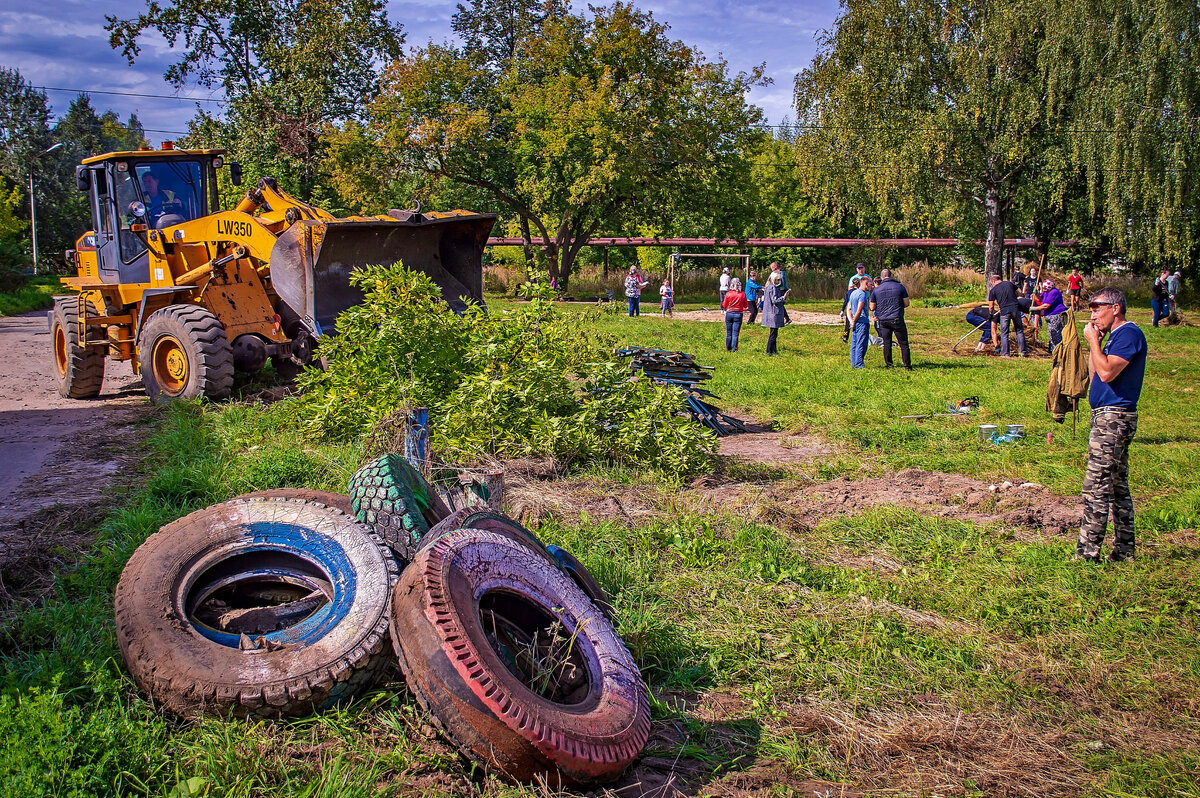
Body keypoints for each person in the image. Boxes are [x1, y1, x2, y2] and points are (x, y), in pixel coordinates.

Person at [1077, 287, 1147, 563]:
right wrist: (1096, 343)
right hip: (1105, 415)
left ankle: (1087, 554)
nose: (1092, 313)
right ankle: (1125, 551)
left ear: (1115, 308)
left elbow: (1107, 373)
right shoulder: (1113, 338)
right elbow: (1097, 374)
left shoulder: (1129, 334)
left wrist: (1094, 342)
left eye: (1097, 307)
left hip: (1115, 418)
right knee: (1117, 487)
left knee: (1096, 486)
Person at [870, 268, 911, 370]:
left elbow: (872, 307)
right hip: (896, 318)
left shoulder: (876, 290)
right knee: (903, 343)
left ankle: (889, 365)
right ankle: (907, 366)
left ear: (882, 277)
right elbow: (907, 303)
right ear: (891, 276)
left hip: (883, 320)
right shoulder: (900, 287)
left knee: (886, 343)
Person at [987, 272, 1026, 356]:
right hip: (1016, 309)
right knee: (1019, 331)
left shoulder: (993, 290)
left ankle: (1006, 353)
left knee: (1004, 333)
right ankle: (1023, 352)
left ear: (993, 281)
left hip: (1005, 312)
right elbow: (1019, 291)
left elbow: (991, 305)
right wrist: (1019, 296)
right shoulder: (1009, 283)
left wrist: (990, 314)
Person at [1031, 278, 1069, 351]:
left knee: (1055, 332)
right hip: (1049, 315)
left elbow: (1046, 305)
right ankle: (1052, 348)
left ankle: (1057, 350)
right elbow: (1040, 299)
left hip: (1056, 314)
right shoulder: (1046, 292)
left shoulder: (1054, 292)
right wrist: (1036, 294)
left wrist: (1034, 308)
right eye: (1043, 289)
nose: (1044, 290)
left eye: (1045, 289)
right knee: (1051, 332)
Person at [760, 271, 789, 355]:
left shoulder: (768, 287)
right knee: (773, 334)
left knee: (774, 333)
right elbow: (774, 300)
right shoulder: (773, 288)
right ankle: (769, 351)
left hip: (770, 312)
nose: (779, 281)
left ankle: (774, 350)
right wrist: (783, 297)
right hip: (773, 313)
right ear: (774, 279)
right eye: (778, 279)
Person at [847, 275, 871, 369]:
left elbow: (849, 309)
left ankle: (853, 363)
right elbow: (859, 310)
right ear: (865, 283)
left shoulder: (853, 293)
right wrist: (854, 321)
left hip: (855, 322)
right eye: (870, 284)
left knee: (854, 343)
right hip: (861, 321)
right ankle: (859, 364)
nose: (871, 286)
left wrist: (851, 321)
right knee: (861, 343)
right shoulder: (862, 295)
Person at [721, 277, 750, 351]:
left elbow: (724, 305)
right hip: (738, 314)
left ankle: (728, 348)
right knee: (735, 333)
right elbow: (746, 305)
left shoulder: (728, 294)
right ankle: (734, 349)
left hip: (729, 313)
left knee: (728, 333)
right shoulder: (742, 294)